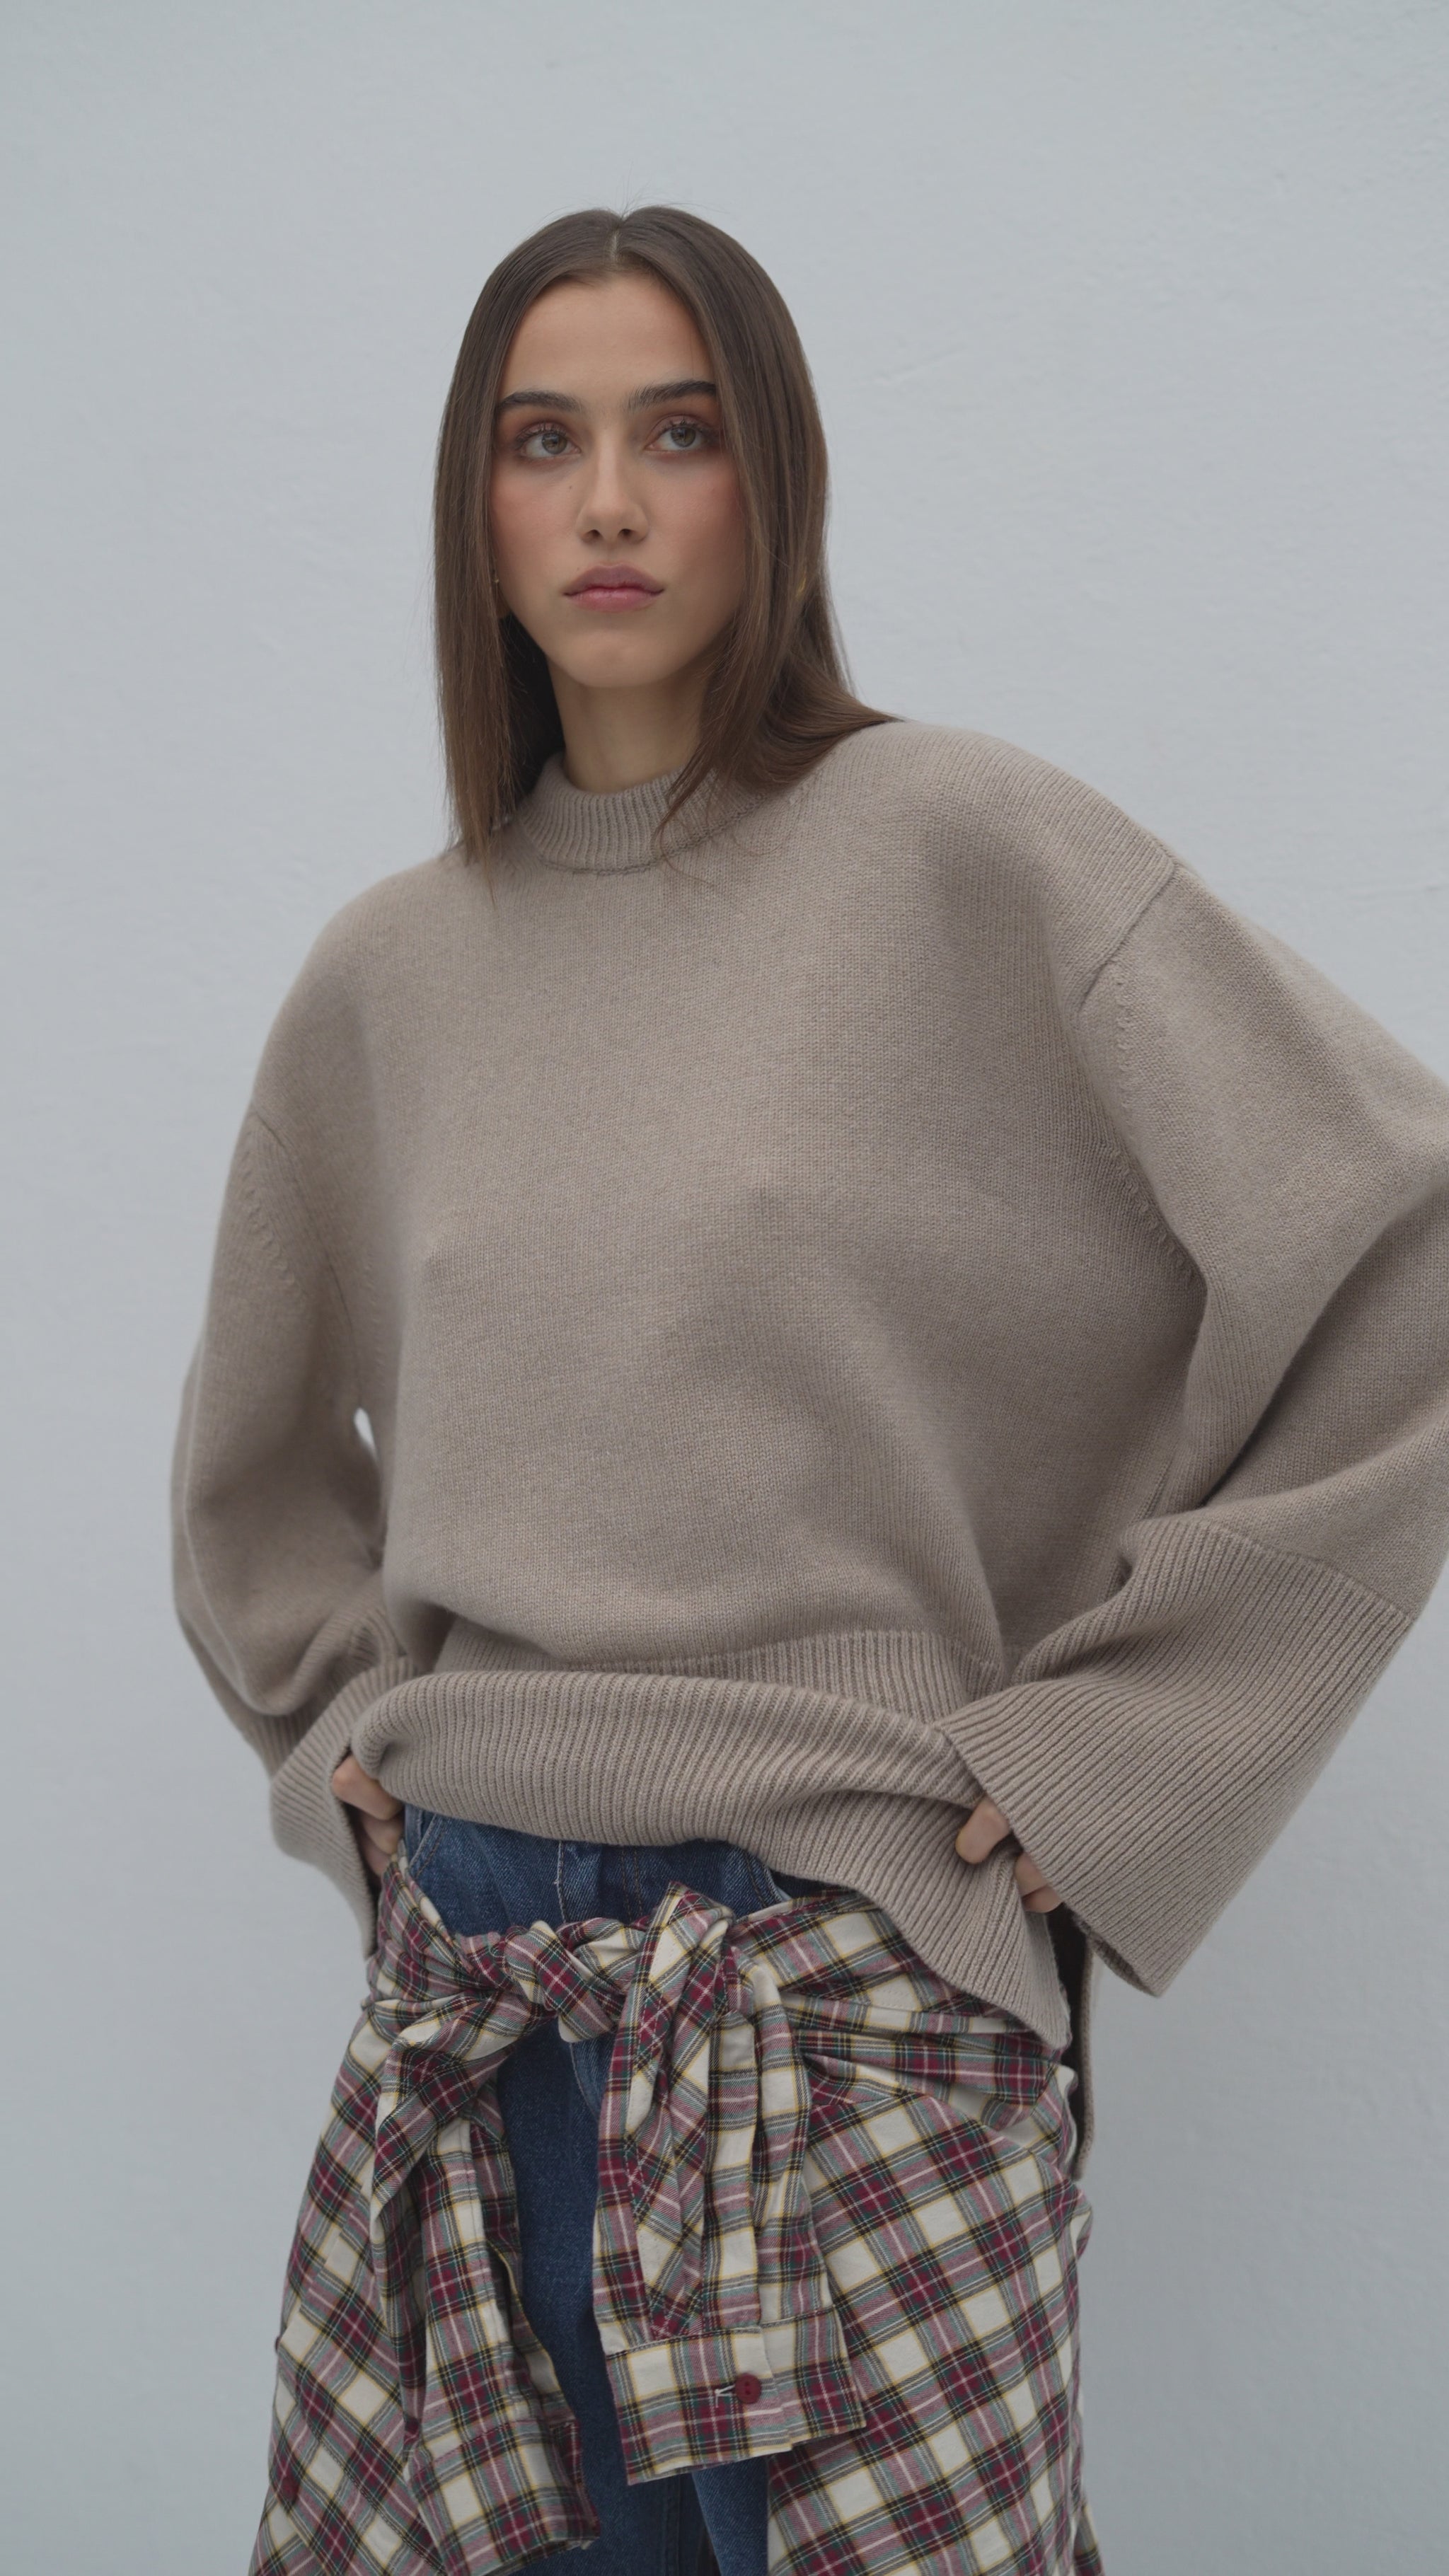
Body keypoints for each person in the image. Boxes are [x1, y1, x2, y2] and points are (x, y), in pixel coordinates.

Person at [172, 206, 1449, 2576]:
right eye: (542, 442)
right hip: (476, 2005)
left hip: (849, 1987)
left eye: (682, 433)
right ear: (474, 504)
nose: (612, 503)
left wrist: (1131, 1748)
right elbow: (247, 1471)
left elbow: (1404, 1239)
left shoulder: (966, 849)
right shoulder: (388, 973)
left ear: (781, 478)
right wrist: (337, 1729)